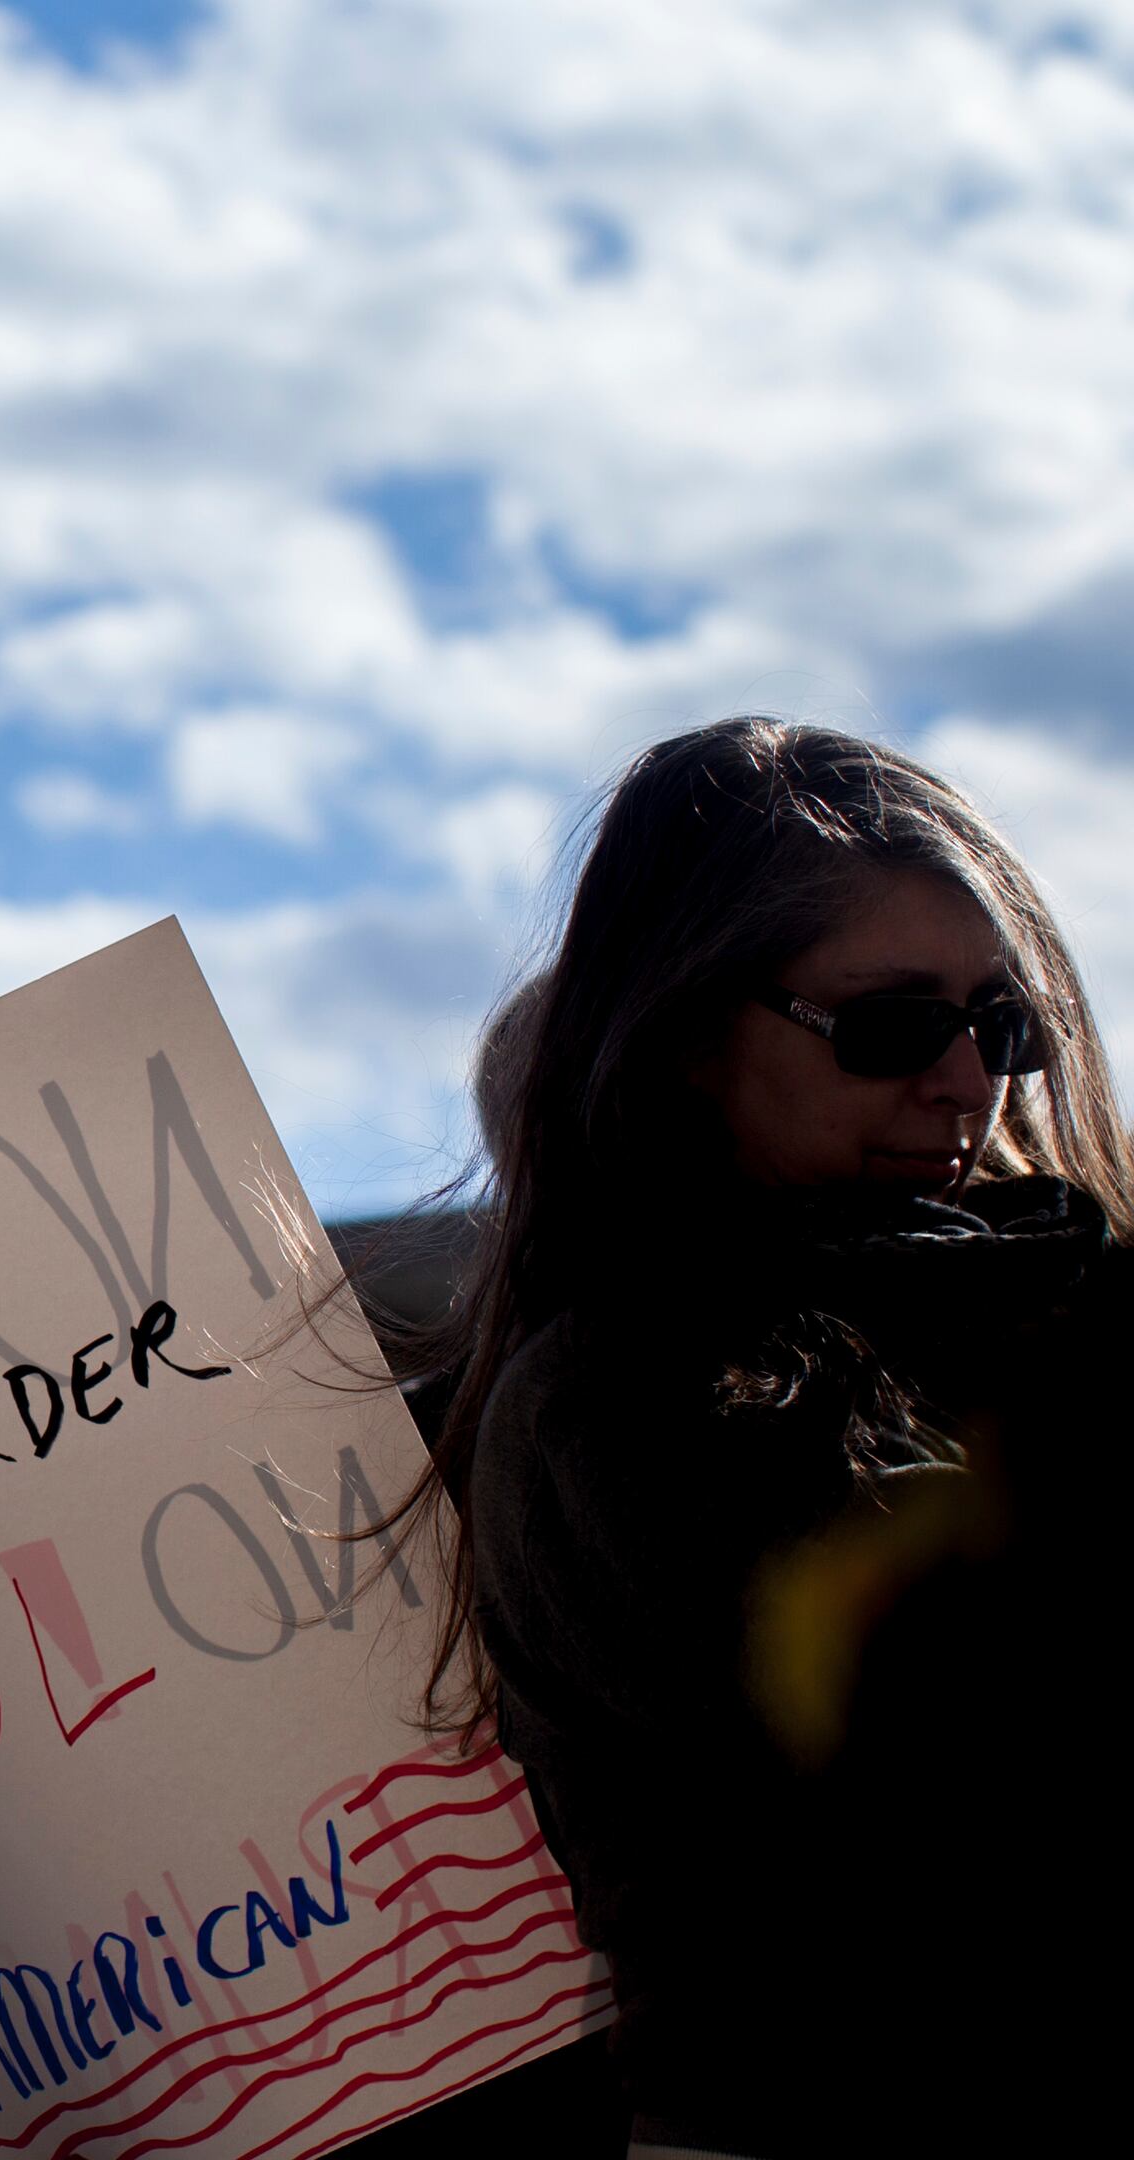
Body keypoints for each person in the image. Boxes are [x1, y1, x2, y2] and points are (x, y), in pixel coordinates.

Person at [393, 717, 1127, 2154]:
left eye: (1004, 1023)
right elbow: (959, 1799)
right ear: (683, 1041)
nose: (968, 1079)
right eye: (892, 1025)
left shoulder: (1021, 1304)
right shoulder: (619, 1396)